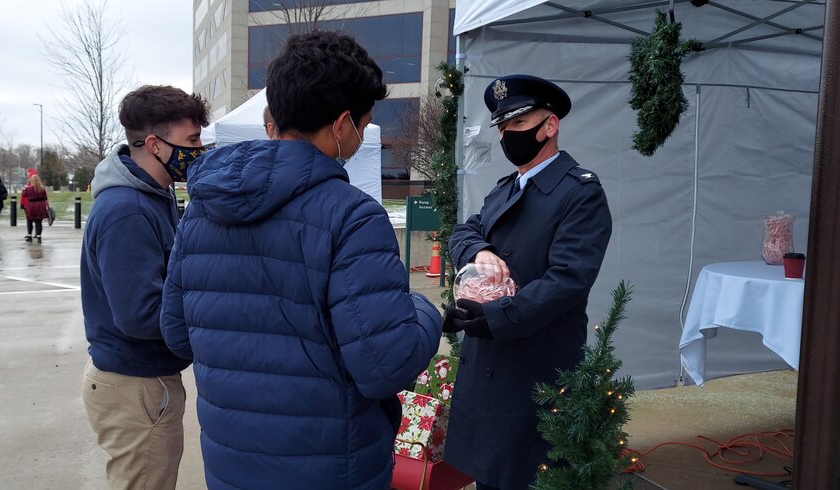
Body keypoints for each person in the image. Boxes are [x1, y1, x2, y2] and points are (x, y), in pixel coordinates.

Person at [159, 30, 442, 489]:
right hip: (331, 465)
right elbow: (385, 365)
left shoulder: (202, 210)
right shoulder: (352, 216)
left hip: (233, 463)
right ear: (342, 123)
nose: (363, 135)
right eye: (365, 124)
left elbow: (176, 335)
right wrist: (426, 313)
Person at [441, 74, 613, 489]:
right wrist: (480, 251)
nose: (507, 136)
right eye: (502, 127)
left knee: (529, 475)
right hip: (489, 365)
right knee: (489, 474)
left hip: (536, 367)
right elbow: (463, 232)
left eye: (517, 124)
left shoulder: (579, 193)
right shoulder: (505, 190)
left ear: (549, 126)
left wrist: (499, 315)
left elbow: (569, 279)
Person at [79, 84, 210, 490]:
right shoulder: (128, 210)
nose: (200, 149)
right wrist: (213, 316)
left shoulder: (154, 196)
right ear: (154, 144)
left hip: (142, 379)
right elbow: (140, 315)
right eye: (191, 140)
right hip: (135, 386)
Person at [20, 174, 49, 243]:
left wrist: (24, 188)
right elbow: (45, 198)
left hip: (31, 205)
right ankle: (39, 236)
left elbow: (24, 195)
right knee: (39, 222)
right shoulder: (42, 188)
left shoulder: (28, 189)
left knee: (29, 221)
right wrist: (48, 206)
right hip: (41, 205)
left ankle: (29, 235)